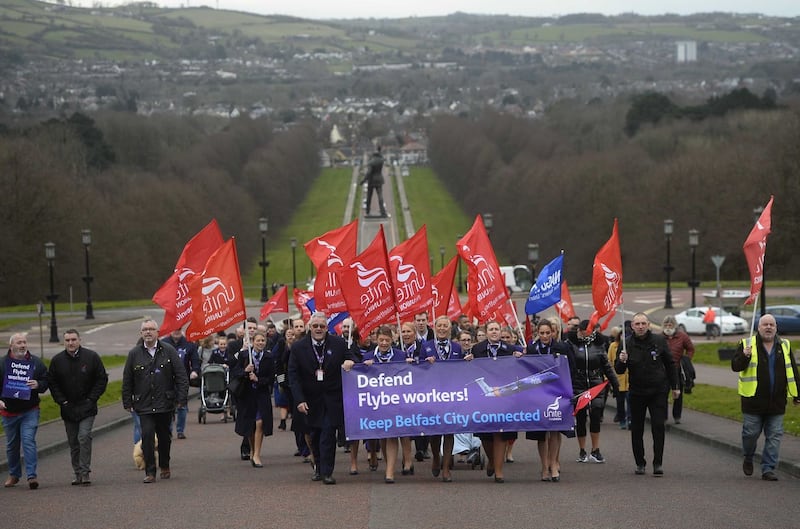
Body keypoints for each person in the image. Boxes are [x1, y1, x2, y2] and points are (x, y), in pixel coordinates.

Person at [288, 311, 355, 485]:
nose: (318, 329)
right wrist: (299, 399)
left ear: (327, 328)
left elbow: (352, 357)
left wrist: (350, 361)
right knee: (314, 436)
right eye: (315, 326)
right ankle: (318, 466)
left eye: (322, 326)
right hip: (309, 400)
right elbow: (293, 376)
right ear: (310, 327)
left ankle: (327, 472)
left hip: (331, 398)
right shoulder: (298, 347)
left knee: (328, 434)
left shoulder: (339, 343)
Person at [731, 313, 800, 481]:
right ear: (758, 328)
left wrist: (797, 393)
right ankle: (748, 456)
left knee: (774, 436)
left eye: (772, 324)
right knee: (750, 434)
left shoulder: (784, 345)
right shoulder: (747, 344)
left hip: (777, 401)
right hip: (753, 401)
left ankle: (768, 468)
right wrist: (744, 356)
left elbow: (792, 370)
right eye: (765, 324)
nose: (768, 327)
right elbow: (735, 366)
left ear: (776, 328)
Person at [122, 318, 189, 483]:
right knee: (147, 436)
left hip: (165, 404)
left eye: (151, 329)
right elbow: (127, 379)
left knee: (165, 437)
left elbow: (181, 375)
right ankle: (150, 471)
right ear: (141, 333)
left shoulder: (168, 350)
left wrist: (181, 398)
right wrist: (127, 401)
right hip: (144, 404)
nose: (148, 332)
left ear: (157, 332)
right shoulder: (134, 354)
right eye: (145, 329)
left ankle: (165, 465)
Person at [615, 312, 680, 476]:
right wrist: (621, 360)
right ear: (632, 326)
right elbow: (619, 370)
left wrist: (675, 386)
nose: (641, 327)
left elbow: (670, 364)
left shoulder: (659, 341)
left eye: (643, 323)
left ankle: (658, 463)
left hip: (658, 390)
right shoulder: (626, 344)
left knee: (658, 426)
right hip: (637, 392)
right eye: (637, 324)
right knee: (636, 428)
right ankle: (640, 463)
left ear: (648, 325)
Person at [47, 329, 109, 486]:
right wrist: (62, 402)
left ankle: (85, 471)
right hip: (68, 408)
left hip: (87, 407)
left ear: (79, 340)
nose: (70, 343)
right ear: (64, 342)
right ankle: (77, 473)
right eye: (67, 340)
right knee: (73, 442)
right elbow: (52, 383)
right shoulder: (57, 361)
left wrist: (91, 399)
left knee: (84, 436)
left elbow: (101, 378)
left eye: (73, 339)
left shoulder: (91, 357)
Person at [469, 320, 524, 483]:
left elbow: (518, 369)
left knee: (500, 433)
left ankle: (499, 471)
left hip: (503, 398)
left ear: (501, 332)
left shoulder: (510, 349)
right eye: (491, 329)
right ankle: (492, 460)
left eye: (496, 329)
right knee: (485, 436)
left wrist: (520, 358)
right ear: (486, 332)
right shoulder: (477, 349)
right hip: (484, 398)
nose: (494, 332)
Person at [525, 319, 575, 482]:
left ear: (553, 332)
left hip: (557, 393)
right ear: (537, 333)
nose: (545, 336)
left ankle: (554, 464)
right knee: (541, 432)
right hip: (538, 395)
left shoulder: (562, 347)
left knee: (554, 429)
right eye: (542, 333)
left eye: (548, 333)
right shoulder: (532, 348)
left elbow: (571, 369)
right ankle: (544, 465)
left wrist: (571, 391)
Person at [421, 316, 467, 482]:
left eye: (445, 326)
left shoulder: (456, 347)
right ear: (435, 327)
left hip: (452, 395)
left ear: (450, 329)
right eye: (439, 326)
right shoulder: (426, 346)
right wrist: (425, 362)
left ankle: (446, 468)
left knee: (449, 431)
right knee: (435, 432)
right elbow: (417, 370)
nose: (441, 328)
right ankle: (436, 457)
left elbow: (462, 369)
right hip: (432, 395)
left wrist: (467, 361)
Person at [567, 319, 618, 464]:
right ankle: (582, 450)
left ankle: (595, 450)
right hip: (578, 384)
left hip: (596, 383)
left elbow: (606, 366)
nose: (585, 334)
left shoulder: (599, 344)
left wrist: (615, 385)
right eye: (583, 331)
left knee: (596, 413)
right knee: (581, 417)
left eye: (589, 331)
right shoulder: (571, 344)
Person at [1, 332, 48, 489]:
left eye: (24, 342)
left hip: (30, 410)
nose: (22, 345)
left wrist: (38, 385)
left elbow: (46, 380)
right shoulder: (3, 363)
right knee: (12, 445)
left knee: (28, 441)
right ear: (11, 346)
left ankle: (31, 476)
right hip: (9, 412)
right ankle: (14, 475)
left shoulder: (35, 362)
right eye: (19, 342)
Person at [362, 325, 406, 483]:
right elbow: (359, 377)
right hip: (376, 402)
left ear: (392, 340)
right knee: (383, 435)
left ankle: (390, 472)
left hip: (395, 402)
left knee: (392, 435)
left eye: (387, 340)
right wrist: (362, 367)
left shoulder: (401, 355)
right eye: (381, 340)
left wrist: (410, 364)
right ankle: (389, 465)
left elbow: (410, 375)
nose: (384, 343)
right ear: (376, 340)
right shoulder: (367, 356)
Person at [231, 331, 274, 468]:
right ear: (253, 342)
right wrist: (245, 371)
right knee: (251, 425)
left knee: (260, 422)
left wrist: (258, 379)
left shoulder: (268, 357)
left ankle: (257, 455)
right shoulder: (244, 355)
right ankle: (252, 450)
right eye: (258, 341)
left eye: (263, 341)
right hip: (247, 395)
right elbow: (235, 372)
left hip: (261, 395)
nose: (260, 343)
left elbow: (271, 378)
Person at [162, 327, 199, 439]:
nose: (176, 331)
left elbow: (195, 360)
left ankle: (180, 430)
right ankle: (168, 430)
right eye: (174, 328)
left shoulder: (189, 344)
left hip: (182, 380)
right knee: (167, 406)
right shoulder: (163, 343)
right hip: (166, 380)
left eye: (179, 329)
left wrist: (195, 371)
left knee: (182, 405)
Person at [662, 315, 694, 424]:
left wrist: (686, 360)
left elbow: (690, 349)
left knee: (677, 394)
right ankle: (663, 417)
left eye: (670, 325)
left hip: (677, 370)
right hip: (663, 370)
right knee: (662, 394)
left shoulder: (682, 336)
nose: (667, 327)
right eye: (665, 325)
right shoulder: (659, 337)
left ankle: (677, 416)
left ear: (674, 326)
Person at [606, 327, 630, 430]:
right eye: (622, 335)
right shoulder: (613, 346)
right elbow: (610, 361)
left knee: (630, 401)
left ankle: (630, 419)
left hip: (629, 380)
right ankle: (622, 419)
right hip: (618, 379)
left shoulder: (631, 346)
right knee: (620, 402)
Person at [360, 145, 387, 217]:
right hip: (379, 179)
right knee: (380, 196)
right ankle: (383, 211)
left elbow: (369, 173)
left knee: (369, 196)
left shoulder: (371, 162)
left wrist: (363, 180)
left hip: (371, 181)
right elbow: (382, 157)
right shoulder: (381, 160)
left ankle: (368, 211)